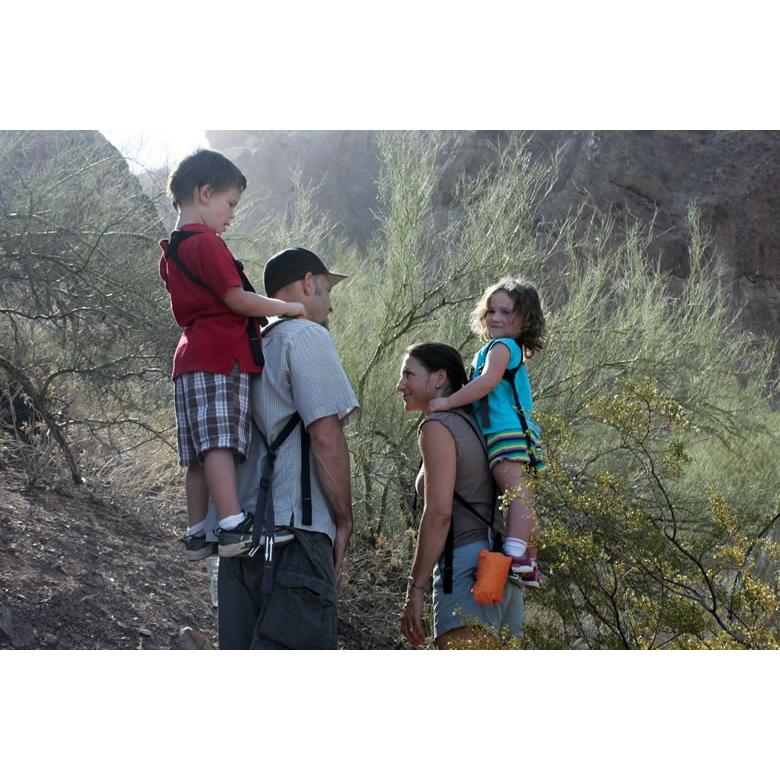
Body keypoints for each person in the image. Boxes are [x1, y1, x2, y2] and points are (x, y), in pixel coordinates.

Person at [159, 150, 305, 563]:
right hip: (220, 356)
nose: (232, 215)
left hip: (189, 359)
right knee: (221, 444)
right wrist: (287, 308)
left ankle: (196, 531)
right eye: (231, 203)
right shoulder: (208, 243)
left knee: (198, 453)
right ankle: (231, 525)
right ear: (205, 193)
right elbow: (235, 298)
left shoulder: (173, 250)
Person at [215, 247, 359, 649]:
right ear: (309, 283)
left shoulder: (250, 344)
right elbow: (326, 436)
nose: (329, 305)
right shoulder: (307, 336)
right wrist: (344, 522)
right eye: (327, 290)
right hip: (295, 537)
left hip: (241, 538)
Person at [398, 342, 524, 649]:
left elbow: (439, 513)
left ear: (439, 378)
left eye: (408, 375)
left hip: (466, 570)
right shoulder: (476, 424)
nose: (400, 385)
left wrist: (415, 590)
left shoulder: (437, 427)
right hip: (500, 572)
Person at [428, 278, 546, 587]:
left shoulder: (503, 348)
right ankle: (528, 559)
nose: (495, 318)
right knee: (520, 495)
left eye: (506, 312)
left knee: (515, 493)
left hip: (507, 432)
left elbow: (487, 382)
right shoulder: (494, 348)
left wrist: (449, 402)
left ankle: (516, 554)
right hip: (506, 433)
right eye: (491, 310)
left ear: (525, 319)